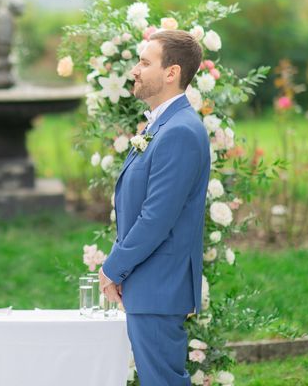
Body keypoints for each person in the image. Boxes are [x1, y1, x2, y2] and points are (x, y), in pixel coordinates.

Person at [99, 30, 210, 385]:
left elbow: (156, 217)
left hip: (159, 286)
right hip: (149, 284)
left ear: (171, 73)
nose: (135, 70)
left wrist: (113, 267)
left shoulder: (179, 131)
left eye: (145, 62)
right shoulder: (161, 125)